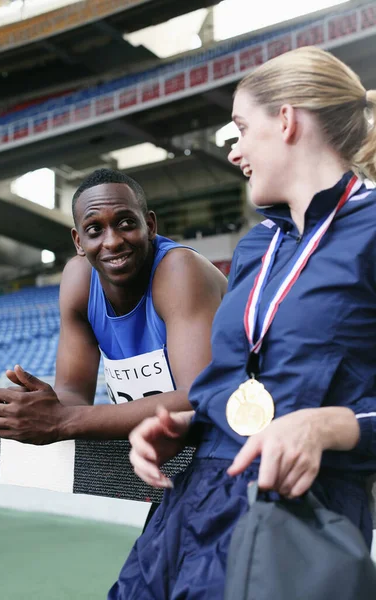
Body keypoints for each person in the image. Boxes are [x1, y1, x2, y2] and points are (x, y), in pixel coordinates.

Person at [109, 46, 376, 599]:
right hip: (188, 512)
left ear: (286, 119)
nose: (233, 153)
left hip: (295, 521)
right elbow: (240, 376)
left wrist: (328, 426)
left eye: (240, 128)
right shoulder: (257, 246)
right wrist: (187, 425)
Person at [0, 169, 227, 445]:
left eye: (126, 223)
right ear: (79, 241)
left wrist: (64, 420)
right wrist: (42, 408)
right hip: (164, 450)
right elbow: (73, 392)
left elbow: (199, 397)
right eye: (95, 230)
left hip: (241, 440)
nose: (112, 241)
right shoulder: (79, 281)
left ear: (150, 226)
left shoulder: (180, 270)